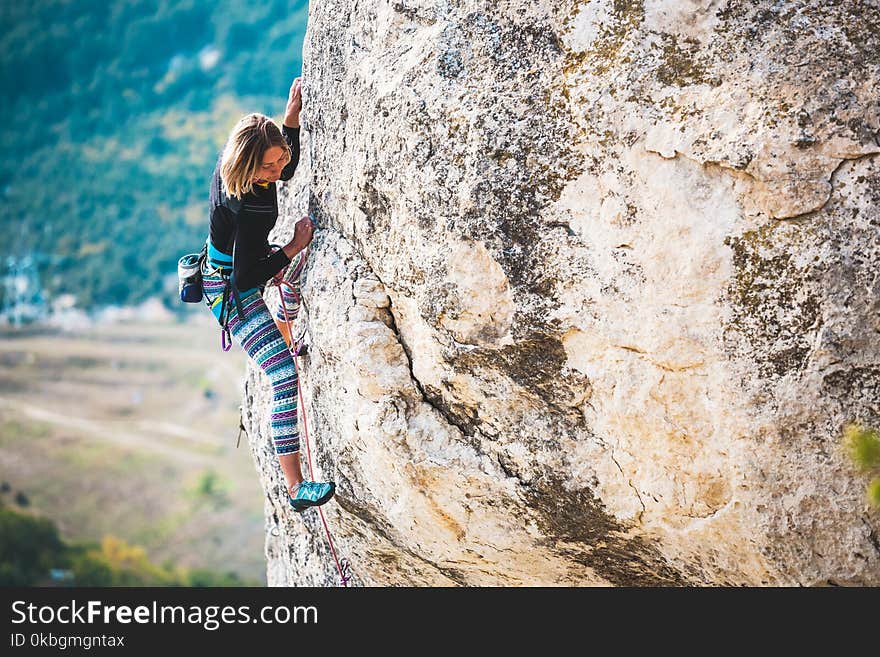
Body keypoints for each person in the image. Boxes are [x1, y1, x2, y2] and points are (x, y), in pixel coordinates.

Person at [200, 75, 335, 513]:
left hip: (243, 271)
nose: (279, 173)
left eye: (279, 162)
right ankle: (296, 487)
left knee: (293, 276)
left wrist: (289, 120)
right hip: (232, 292)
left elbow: (284, 163)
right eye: (269, 168)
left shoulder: (242, 166)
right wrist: (293, 246)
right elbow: (244, 279)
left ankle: (282, 327)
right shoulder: (247, 204)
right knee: (283, 376)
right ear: (249, 166)